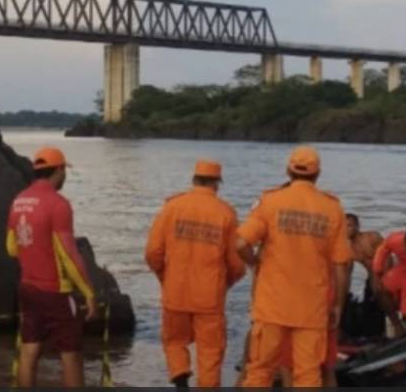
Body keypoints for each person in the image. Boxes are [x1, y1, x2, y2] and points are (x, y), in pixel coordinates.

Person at [237, 146, 352, 388]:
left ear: (288, 171)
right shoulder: (332, 208)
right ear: (317, 174)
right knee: (308, 375)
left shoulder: (270, 201)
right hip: (312, 308)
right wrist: (338, 305)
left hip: (272, 306)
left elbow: (239, 244)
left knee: (259, 371)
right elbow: (342, 265)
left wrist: (255, 264)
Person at [145, 159, 245, 388]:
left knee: (173, 341)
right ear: (217, 183)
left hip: (176, 291)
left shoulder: (172, 207)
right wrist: (225, 283)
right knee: (210, 352)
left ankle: (180, 377)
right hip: (209, 297)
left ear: (193, 179)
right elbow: (237, 264)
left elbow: (152, 252)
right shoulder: (226, 213)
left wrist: (164, 277)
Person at [7, 147, 97, 388]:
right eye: (63, 171)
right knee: (71, 356)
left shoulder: (19, 200)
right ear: (58, 170)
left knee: (29, 351)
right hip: (55, 291)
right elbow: (69, 254)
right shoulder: (58, 204)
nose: (64, 176)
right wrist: (88, 292)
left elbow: (11, 248)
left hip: (27, 287)